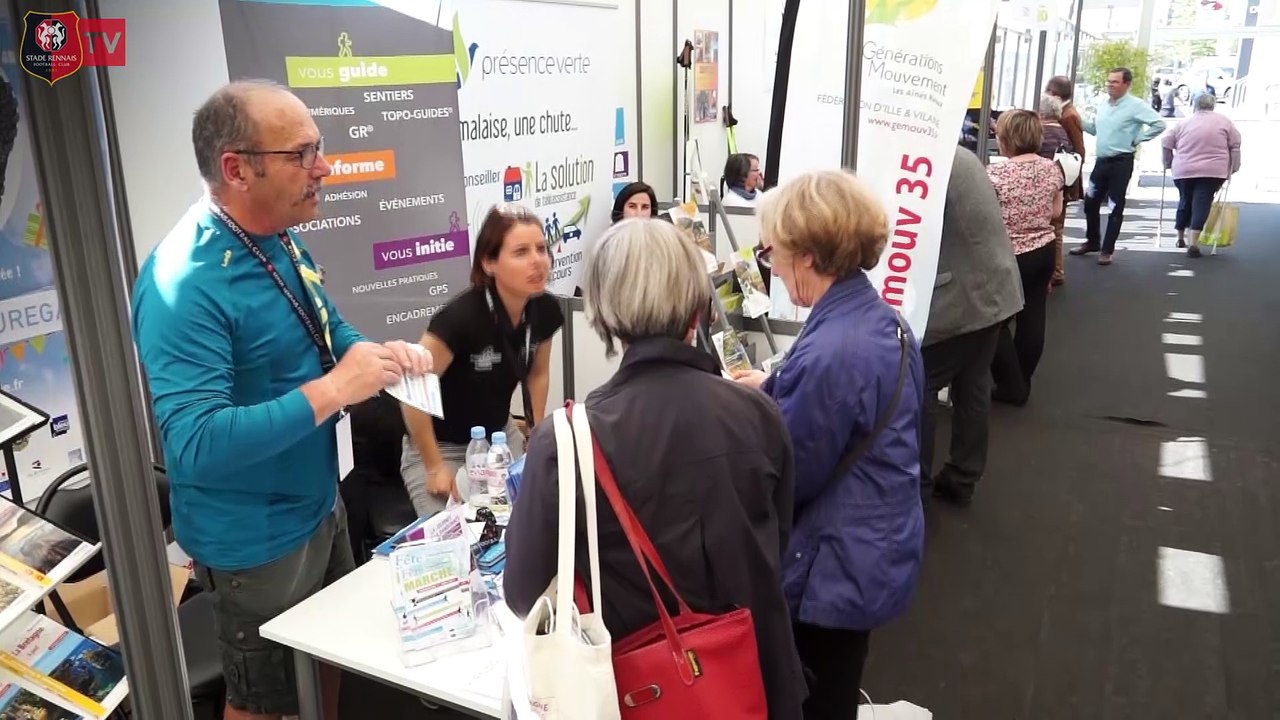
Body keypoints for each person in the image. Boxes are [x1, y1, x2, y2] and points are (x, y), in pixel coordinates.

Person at [132, 79, 431, 720]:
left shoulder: (279, 231)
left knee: (328, 664)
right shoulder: (182, 283)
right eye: (300, 155)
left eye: (317, 148)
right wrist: (331, 392)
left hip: (321, 506)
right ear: (236, 169)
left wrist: (371, 355)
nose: (322, 167)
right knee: (266, 702)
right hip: (257, 543)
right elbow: (195, 444)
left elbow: (321, 324)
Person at [504, 218, 807, 718]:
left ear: (602, 313)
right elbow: (776, 542)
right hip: (754, 680)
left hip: (637, 692)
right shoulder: (758, 415)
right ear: (697, 308)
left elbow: (521, 592)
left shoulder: (566, 439)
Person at [733, 170, 924, 719]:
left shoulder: (833, 351)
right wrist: (770, 389)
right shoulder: (883, 320)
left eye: (774, 253)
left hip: (832, 566)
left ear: (808, 256)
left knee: (814, 699)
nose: (772, 266)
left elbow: (791, 471)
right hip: (870, 546)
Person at [401, 204, 562, 516]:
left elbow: (537, 374)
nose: (537, 261)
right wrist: (434, 465)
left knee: (531, 518)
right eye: (521, 252)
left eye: (541, 249)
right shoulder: (461, 318)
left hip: (500, 436)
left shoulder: (546, 310)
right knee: (453, 537)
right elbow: (413, 392)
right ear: (489, 262)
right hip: (441, 446)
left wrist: (536, 431)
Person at [920, 147, 1024, 506]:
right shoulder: (961, 155)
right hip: (993, 288)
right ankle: (963, 475)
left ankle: (914, 488)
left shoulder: (925, 161)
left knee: (921, 386)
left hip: (961, 298)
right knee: (973, 385)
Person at [986, 110, 1063, 407]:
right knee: (1033, 316)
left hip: (1007, 254)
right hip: (1043, 250)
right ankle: (1022, 380)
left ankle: (1011, 384)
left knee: (994, 320)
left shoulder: (994, 174)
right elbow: (1055, 213)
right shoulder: (1051, 169)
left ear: (1007, 138)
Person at [1072, 67, 1167, 266]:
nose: (1110, 85)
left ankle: (1107, 250)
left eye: (1115, 82)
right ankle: (1092, 241)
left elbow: (1159, 124)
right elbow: (1095, 129)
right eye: (1109, 81)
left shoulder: (1135, 105)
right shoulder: (1103, 104)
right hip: (1102, 160)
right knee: (1090, 202)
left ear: (1126, 84)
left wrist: (1138, 138)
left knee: (1115, 206)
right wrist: (1075, 121)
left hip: (1121, 161)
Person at [1161, 92, 1242, 258]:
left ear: (1195, 105)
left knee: (1185, 200)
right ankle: (1193, 243)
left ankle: (1180, 237)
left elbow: (1166, 141)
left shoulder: (1183, 123)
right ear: (1212, 105)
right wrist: (1234, 167)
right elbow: (1235, 145)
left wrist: (1167, 162)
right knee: (1201, 202)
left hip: (1183, 170)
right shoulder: (1224, 121)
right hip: (1212, 171)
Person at [1044, 76, 1086, 285]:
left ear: (1053, 93)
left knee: (1056, 228)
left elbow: (1078, 151)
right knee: (1056, 227)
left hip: (1063, 180)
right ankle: (1056, 270)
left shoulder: (1067, 116)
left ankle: (1057, 271)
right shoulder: (1069, 113)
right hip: (1065, 178)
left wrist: (1070, 183)